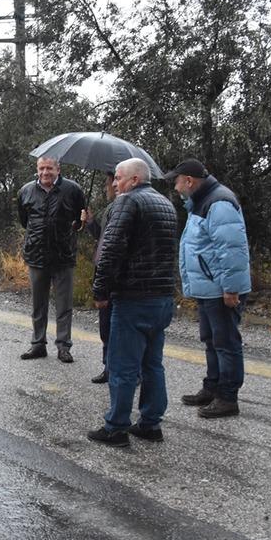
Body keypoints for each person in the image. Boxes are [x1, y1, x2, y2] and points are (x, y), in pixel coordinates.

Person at [88, 158, 177, 446]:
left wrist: (100, 291)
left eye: (118, 177)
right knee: (152, 364)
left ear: (135, 179)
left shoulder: (127, 202)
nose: (115, 183)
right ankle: (151, 423)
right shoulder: (166, 204)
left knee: (123, 365)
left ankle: (116, 427)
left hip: (133, 298)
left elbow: (111, 249)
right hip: (162, 297)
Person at [167, 159, 251, 419]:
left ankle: (227, 397)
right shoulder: (201, 202)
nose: (176, 188)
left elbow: (231, 248)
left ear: (189, 181)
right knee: (212, 340)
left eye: (177, 182)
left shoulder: (219, 202)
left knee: (225, 343)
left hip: (220, 288)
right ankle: (212, 387)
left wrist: (231, 288)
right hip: (209, 286)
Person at [17, 157, 86, 362]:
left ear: (58, 169)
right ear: (37, 169)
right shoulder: (26, 191)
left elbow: (78, 221)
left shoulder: (73, 190)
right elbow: (25, 221)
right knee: (38, 304)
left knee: (64, 305)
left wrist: (80, 223)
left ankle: (64, 346)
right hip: (36, 255)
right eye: (41, 168)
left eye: (49, 168)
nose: (45, 172)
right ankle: (38, 344)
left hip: (63, 256)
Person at [81, 172, 117, 384]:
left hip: (114, 279)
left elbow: (110, 249)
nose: (106, 188)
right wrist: (90, 222)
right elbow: (100, 237)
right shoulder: (109, 210)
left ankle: (126, 370)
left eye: (108, 184)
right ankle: (108, 367)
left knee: (116, 327)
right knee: (106, 326)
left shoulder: (123, 210)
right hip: (104, 276)